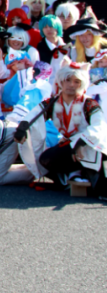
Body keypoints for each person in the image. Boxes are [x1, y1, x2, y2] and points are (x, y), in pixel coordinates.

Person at [37, 63, 106, 197]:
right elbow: (34, 115)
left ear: (82, 84)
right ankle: (74, 175)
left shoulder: (89, 102)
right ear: (61, 81)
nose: (71, 85)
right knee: (45, 160)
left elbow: (99, 125)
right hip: (70, 144)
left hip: (91, 144)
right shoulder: (53, 102)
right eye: (67, 80)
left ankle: (84, 177)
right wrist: (23, 126)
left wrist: (81, 142)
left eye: (76, 81)